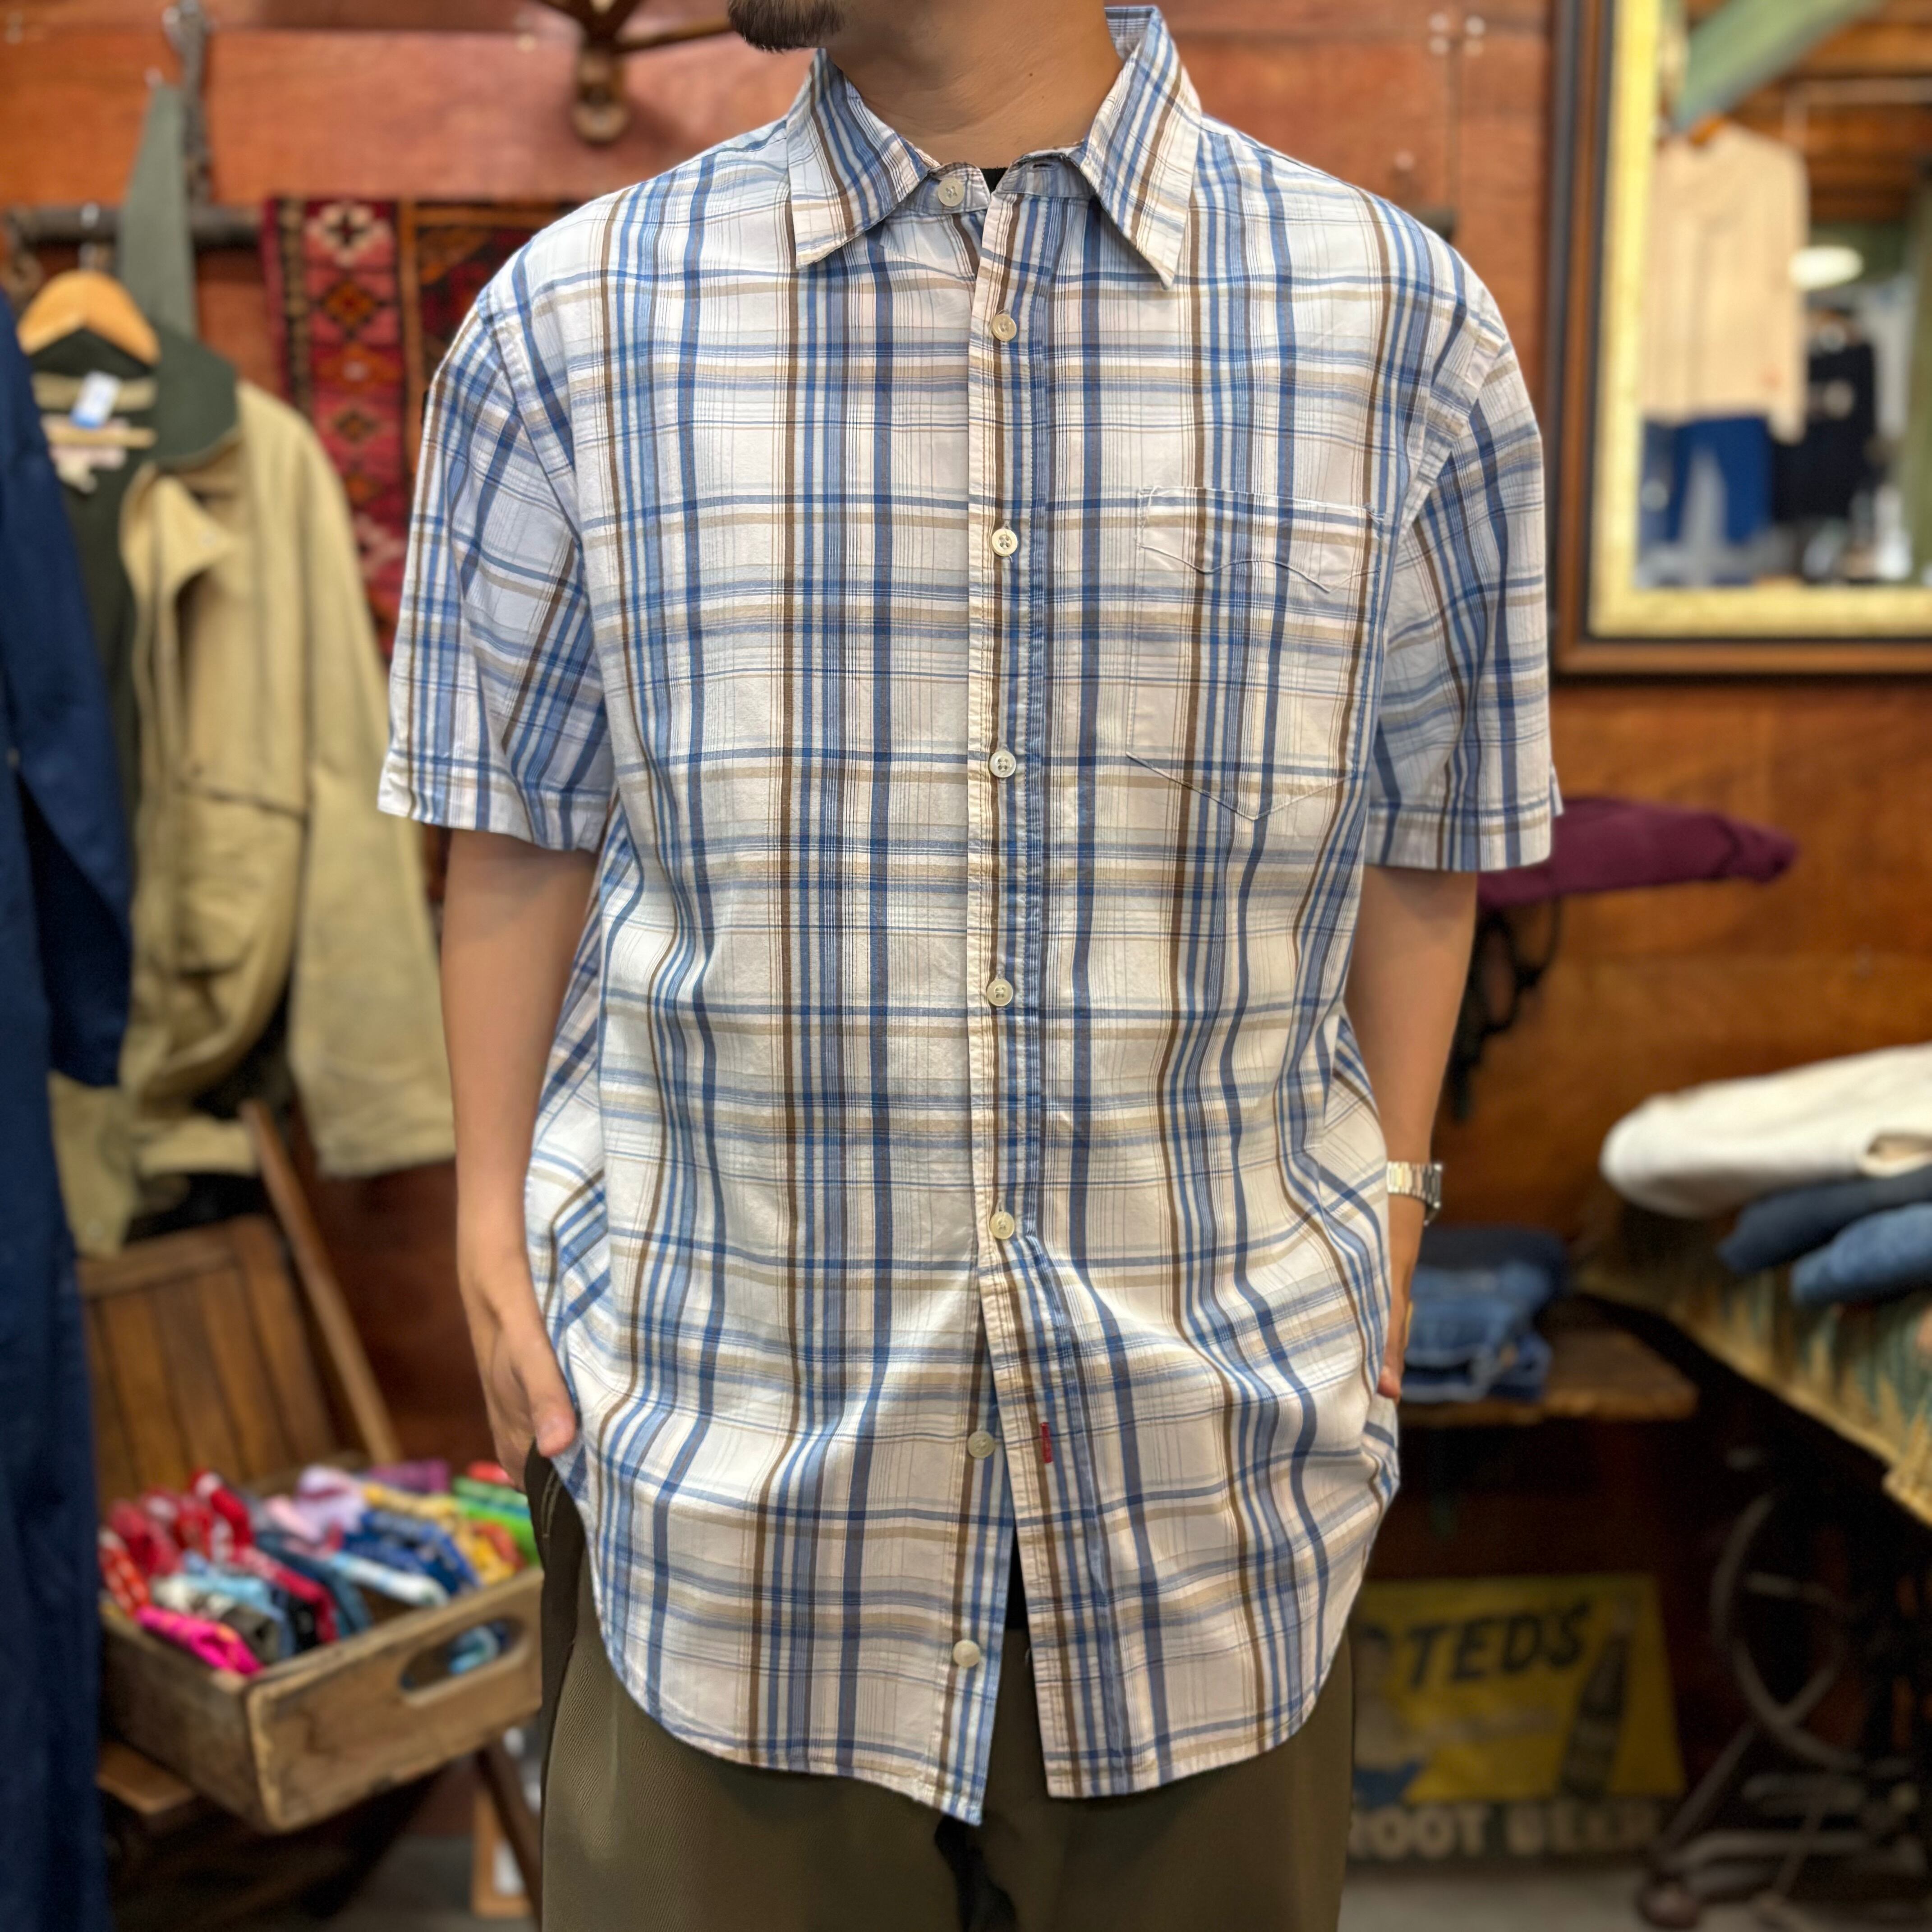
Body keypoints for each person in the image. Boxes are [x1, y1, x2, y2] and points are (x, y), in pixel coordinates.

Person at [381, 1, 1555, 1924]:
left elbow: (1429, 837)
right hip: (725, 1445)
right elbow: (514, 823)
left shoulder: (1395, 327)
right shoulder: (573, 324)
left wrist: (1401, 1204)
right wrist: (485, 1227)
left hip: (1209, 1457)